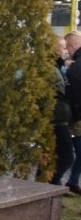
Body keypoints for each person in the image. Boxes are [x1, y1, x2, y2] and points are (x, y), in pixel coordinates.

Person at [50, 34, 73, 186]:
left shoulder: (59, 66)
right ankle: (52, 185)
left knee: (59, 157)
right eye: (63, 47)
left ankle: (53, 186)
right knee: (66, 157)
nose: (65, 51)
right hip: (56, 119)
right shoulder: (52, 69)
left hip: (60, 117)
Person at [62, 31, 81, 195]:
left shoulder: (75, 67)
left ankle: (72, 181)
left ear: (72, 46)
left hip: (76, 116)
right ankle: (73, 181)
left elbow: (73, 93)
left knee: (72, 152)